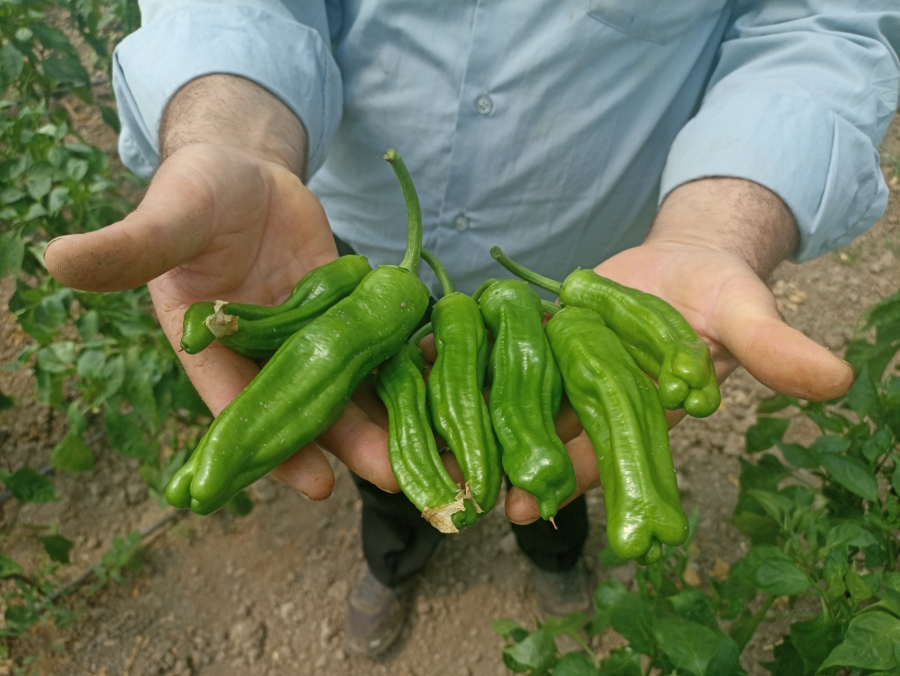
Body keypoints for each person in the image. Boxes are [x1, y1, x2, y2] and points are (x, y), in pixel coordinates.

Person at [45, 0, 899, 658]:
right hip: (327, 237)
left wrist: (717, 228)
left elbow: (824, 18)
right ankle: (394, 561)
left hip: (602, 266)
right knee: (385, 450)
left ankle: (556, 564)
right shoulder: (330, 272)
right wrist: (232, 130)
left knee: (556, 459)